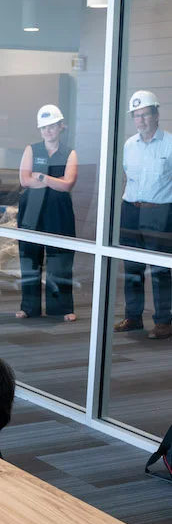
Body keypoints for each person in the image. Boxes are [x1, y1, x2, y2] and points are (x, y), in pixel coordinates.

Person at [114, 90, 172, 340]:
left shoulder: (170, 143)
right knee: (131, 268)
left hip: (160, 211)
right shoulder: (129, 145)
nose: (141, 121)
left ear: (156, 114)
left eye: (145, 114)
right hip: (130, 210)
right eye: (136, 116)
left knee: (160, 271)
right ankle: (133, 317)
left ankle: (163, 321)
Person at [15, 104, 78, 321]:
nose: (47, 131)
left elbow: (67, 184)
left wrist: (41, 177)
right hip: (31, 210)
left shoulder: (69, 153)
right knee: (30, 258)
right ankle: (29, 307)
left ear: (61, 126)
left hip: (58, 212)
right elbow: (24, 180)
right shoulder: (31, 149)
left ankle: (60, 308)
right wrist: (54, 181)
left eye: (52, 126)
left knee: (59, 258)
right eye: (43, 127)